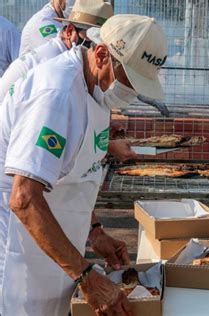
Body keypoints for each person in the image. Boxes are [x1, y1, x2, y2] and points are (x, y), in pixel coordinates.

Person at [0, 14, 167, 315]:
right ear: (102, 54)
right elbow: (23, 199)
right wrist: (86, 276)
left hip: (55, 244)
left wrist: (95, 232)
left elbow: (77, 174)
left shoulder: (95, 91)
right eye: (129, 80)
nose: (131, 93)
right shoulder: (56, 95)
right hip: (19, 246)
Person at [0, 0, 113, 104]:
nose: (92, 50)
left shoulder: (63, 50)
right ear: (69, 32)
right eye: (89, 42)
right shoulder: (55, 57)